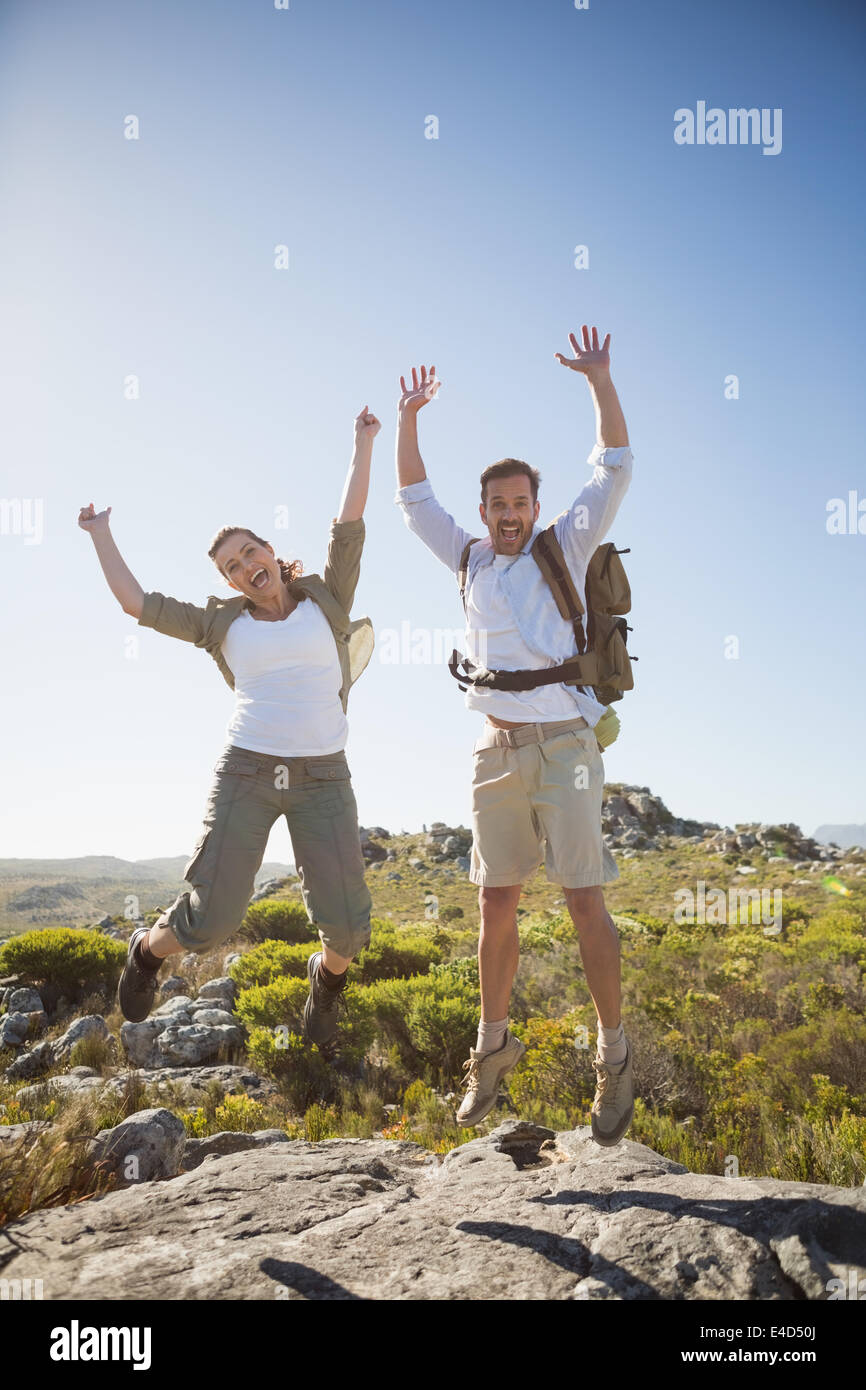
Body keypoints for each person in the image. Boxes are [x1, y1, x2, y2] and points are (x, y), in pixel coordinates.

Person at [78, 405, 380, 1057]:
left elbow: (349, 524)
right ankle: (146, 950)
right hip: (248, 770)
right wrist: (100, 532)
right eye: (231, 567)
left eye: (250, 553)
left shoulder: (328, 597)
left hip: (326, 776)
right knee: (210, 920)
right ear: (229, 583)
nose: (245, 567)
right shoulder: (222, 626)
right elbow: (136, 603)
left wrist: (362, 442)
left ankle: (324, 985)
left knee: (349, 932)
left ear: (272, 553)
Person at [394, 329, 635, 1143]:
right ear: (487, 509)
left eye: (518, 504)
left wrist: (600, 381)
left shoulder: (562, 545)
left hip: (566, 745)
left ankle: (614, 1054)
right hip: (494, 751)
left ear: (535, 507)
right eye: (495, 505)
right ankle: (491, 1049)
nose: (505, 516)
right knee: (496, 904)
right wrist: (408, 419)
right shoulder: (467, 561)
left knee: (582, 901)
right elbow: (416, 502)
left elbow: (615, 468)